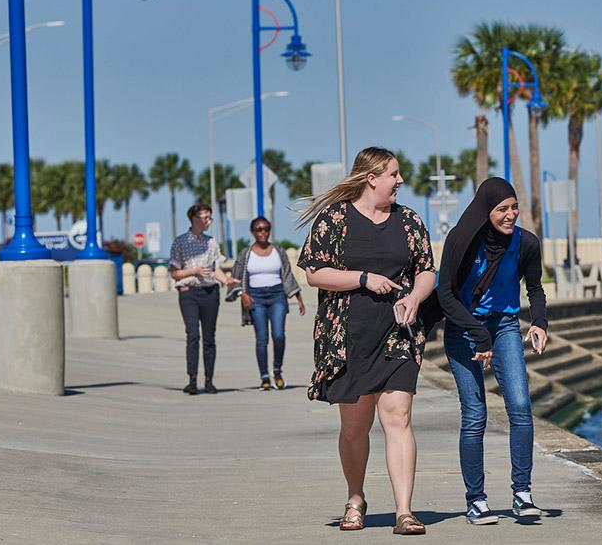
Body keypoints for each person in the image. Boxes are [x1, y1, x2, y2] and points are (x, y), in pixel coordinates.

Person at [297, 147, 436, 535]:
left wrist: (415, 297)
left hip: (398, 334)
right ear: (372, 177)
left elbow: (426, 270)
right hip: (348, 338)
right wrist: (363, 278)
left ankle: (404, 511)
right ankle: (355, 498)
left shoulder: (408, 221)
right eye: (394, 174)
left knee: (399, 418)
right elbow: (315, 273)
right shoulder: (335, 218)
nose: (401, 181)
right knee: (355, 427)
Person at [437, 177, 548, 525]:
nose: (510, 214)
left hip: (504, 327)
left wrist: (540, 323)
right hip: (462, 329)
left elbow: (535, 287)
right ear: (487, 210)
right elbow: (445, 296)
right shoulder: (462, 241)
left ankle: (522, 492)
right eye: (502, 209)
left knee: (520, 406)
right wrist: (476, 335)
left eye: (514, 207)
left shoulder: (526, 244)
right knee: (475, 415)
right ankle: (476, 500)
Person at [169, 203, 239, 395]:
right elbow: (175, 273)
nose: (208, 221)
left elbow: (215, 268)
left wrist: (226, 279)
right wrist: (194, 271)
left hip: (210, 292)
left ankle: (209, 381)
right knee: (193, 335)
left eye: (210, 217)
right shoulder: (180, 242)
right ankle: (192, 380)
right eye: (205, 217)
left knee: (209, 337)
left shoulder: (211, 242)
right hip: (189, 292)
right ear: (194, 218)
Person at [229, 216, 305, 391]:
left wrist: (298, 298)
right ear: (252, 232)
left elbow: (287, 275)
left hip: (277, 295)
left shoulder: (278, 251)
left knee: (278, 335)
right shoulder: (246, 254)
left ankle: (277, 371)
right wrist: (243, 294)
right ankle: (264, 377)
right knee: (261, 339)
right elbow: (236, 275)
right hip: (256, 297)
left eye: (265, 229)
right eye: (258, 229)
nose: (262, 232)